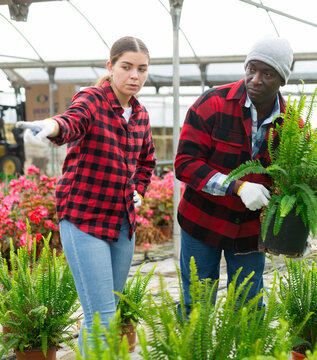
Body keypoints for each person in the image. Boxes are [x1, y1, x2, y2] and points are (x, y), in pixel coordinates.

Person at [19, 36, 156, 351]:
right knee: (103, 316)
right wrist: (50, 127)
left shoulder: (141, 115)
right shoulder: (91, 100)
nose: (135, 75)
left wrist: (139, 190)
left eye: (142, 69)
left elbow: (147, 161)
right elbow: (71, 122)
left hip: (122, 222)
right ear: (111, 67)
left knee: (106, 309)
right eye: (127, 67)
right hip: (84, 217)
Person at [175, 36, 293, 315]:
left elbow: (295, 179)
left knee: (248, 307)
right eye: (251, 69)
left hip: (250, 232)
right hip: (202, 223)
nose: (255, 79)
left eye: (267, 73)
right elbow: (185, 163)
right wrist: (237, 187)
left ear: (282, 80)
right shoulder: (212, 104)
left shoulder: (291, 126)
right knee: (197, 306)